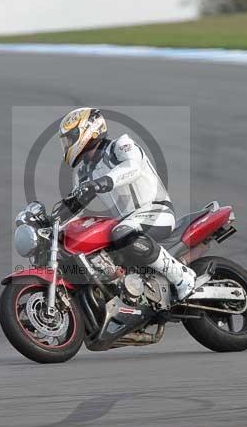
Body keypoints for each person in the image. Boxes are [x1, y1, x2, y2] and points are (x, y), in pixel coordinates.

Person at [55, 107, 197, 302]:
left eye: (71, 138)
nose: (68, 144)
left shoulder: (120, 146)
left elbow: (133, 167)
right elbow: (74, 205)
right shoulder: (83, 173)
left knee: (121, 232)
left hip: (156, 210)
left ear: (89, 129)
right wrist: (49, 224)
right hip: (128, 222)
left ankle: (182, 276)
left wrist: (101, 182)